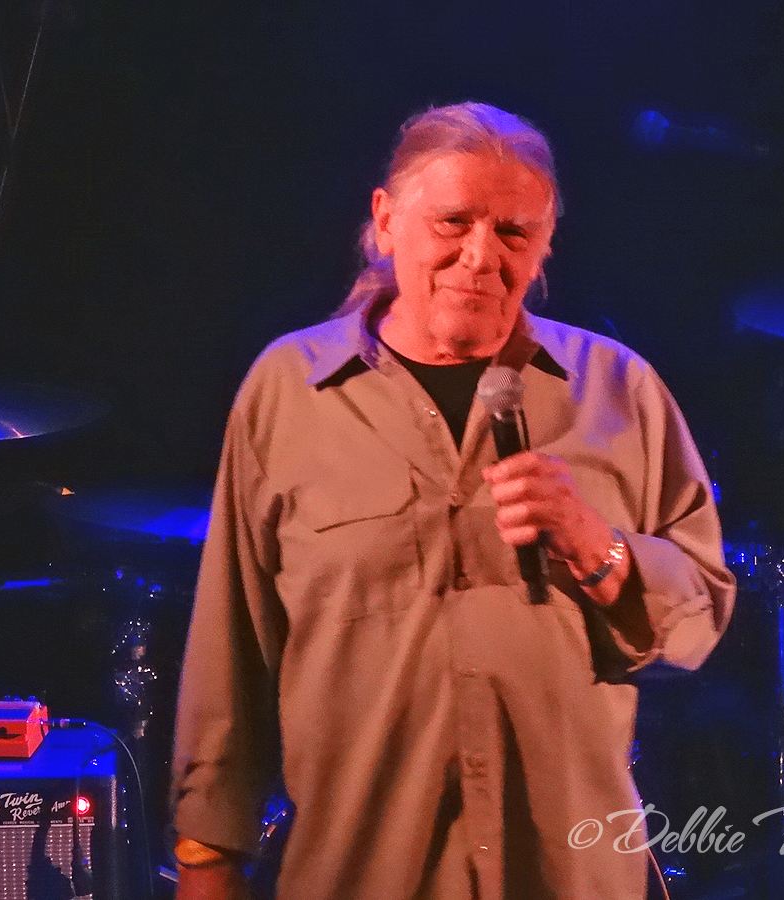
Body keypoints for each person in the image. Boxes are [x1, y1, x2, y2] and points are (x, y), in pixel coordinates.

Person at [170, 102, 735, 900]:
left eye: (513, 232)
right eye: (454, 222)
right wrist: (207, 859)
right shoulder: (289, 393)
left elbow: (700, 616)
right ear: (386, 220)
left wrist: (597, 546)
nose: (480, 255)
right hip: (362, 872)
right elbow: (232, 642)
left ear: (545, 245)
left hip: (565, 874)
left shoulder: (619, 390)